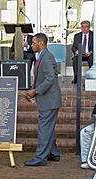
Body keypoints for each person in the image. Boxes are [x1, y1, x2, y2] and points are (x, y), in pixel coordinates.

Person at [24, 33, 62, 166]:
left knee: (44, 128)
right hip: (48, 100)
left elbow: (50, 78)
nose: (32, 45)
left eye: (34, 43)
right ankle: (54, 153)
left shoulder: (47, 58)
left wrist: (36, 91)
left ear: (41, 43)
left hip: (49, 100)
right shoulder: (42, 56)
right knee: (48, 127)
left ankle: (40, 158)